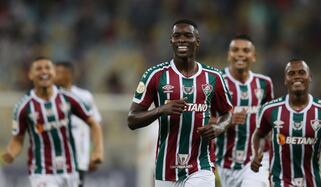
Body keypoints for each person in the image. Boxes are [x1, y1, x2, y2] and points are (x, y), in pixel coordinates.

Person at [127, 19, 233, 187]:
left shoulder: (213, 77)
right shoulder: (155, 75)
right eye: (177, 36)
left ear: (197, 41)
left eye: (188, 36)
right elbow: (132, 120)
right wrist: (161, 109)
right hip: (166, 169)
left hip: (201, 165)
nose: (182, 39)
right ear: (171, 41)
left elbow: (228, 112)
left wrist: (220, 127)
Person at [0, 57, 104, 187]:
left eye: (47, 68)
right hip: (41, 170)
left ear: (53, 73)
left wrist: (97, 151)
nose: (44, 72)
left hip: (70, 169)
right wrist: (11, 152)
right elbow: (18, 139)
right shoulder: (23, 107)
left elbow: (93, 123)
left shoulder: (68, 98)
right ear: (30, 75)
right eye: (39, 69)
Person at [251, 59, 321, 187]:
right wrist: (256, 153)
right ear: (285, 79)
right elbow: (259, 135)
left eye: (302, 72)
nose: (297, 76)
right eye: (291, 73)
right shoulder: (270, 110)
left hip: (312, 182)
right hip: (280, 181)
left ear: (310, 77)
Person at [215, 34, 274, 187]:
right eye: (235, 50)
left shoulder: (264, 84)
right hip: (225, 161)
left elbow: (270, 123)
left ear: (254, 56)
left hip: (256, 160)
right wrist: (227, 121)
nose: (240, 54)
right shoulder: (216, 81)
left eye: (246, 50)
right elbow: (200, 118)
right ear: (229, 55)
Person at [55, 61, 103, 187]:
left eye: (61, 72)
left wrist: (94, 153)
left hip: (78, 158)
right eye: (56, 72)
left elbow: (95, 125)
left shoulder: (84, 96)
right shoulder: (50, 98)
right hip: (54, 158)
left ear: (70, 74)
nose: (57, 75)